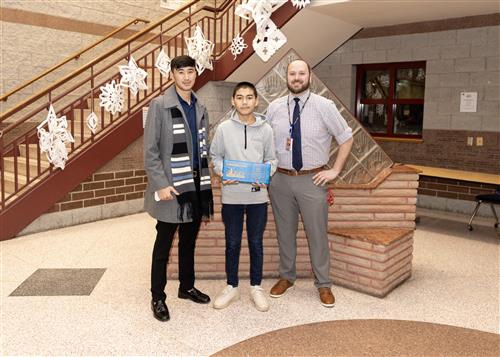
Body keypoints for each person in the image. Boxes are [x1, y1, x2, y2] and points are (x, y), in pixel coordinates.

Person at [266, 59, 353, 307]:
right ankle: (286, 277)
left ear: (309, 76)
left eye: (301, 73)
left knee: (317, 234)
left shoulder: (324, 106)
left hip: (312, 180)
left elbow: (346, 139)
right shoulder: (273, 107)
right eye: (292, 73)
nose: (296, 77)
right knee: (284, 232)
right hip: (280, 180)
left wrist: (335, 170)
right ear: (287, 77)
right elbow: (264, 140)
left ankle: (323, 284)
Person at [144, 55, 213, 322]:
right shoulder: (160, 105)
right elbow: (150, 151)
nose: (186, 76)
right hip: (171, 188)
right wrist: (160, 184)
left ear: (196, 74)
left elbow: (202, 147)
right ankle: (157, 297)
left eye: (190, 71)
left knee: (188, 241)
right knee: (164, 243)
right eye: (181, 71)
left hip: (195, 186)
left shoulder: (201, 105)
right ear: (172, 74)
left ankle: (186, 287)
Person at [210, 82, 277, 312]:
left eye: (249, 97)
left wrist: (266, 174)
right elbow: (216, 156)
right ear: (233, 101)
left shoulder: (266, 129)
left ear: (256, 101)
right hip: (232, 196)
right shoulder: (224, 129)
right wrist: (221, 172)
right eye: (240, 97)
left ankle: (256, 287)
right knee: (232, 243)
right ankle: (232, 287)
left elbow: (272, 159)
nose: (245, 102)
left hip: (258, 197)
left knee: (256, 243)